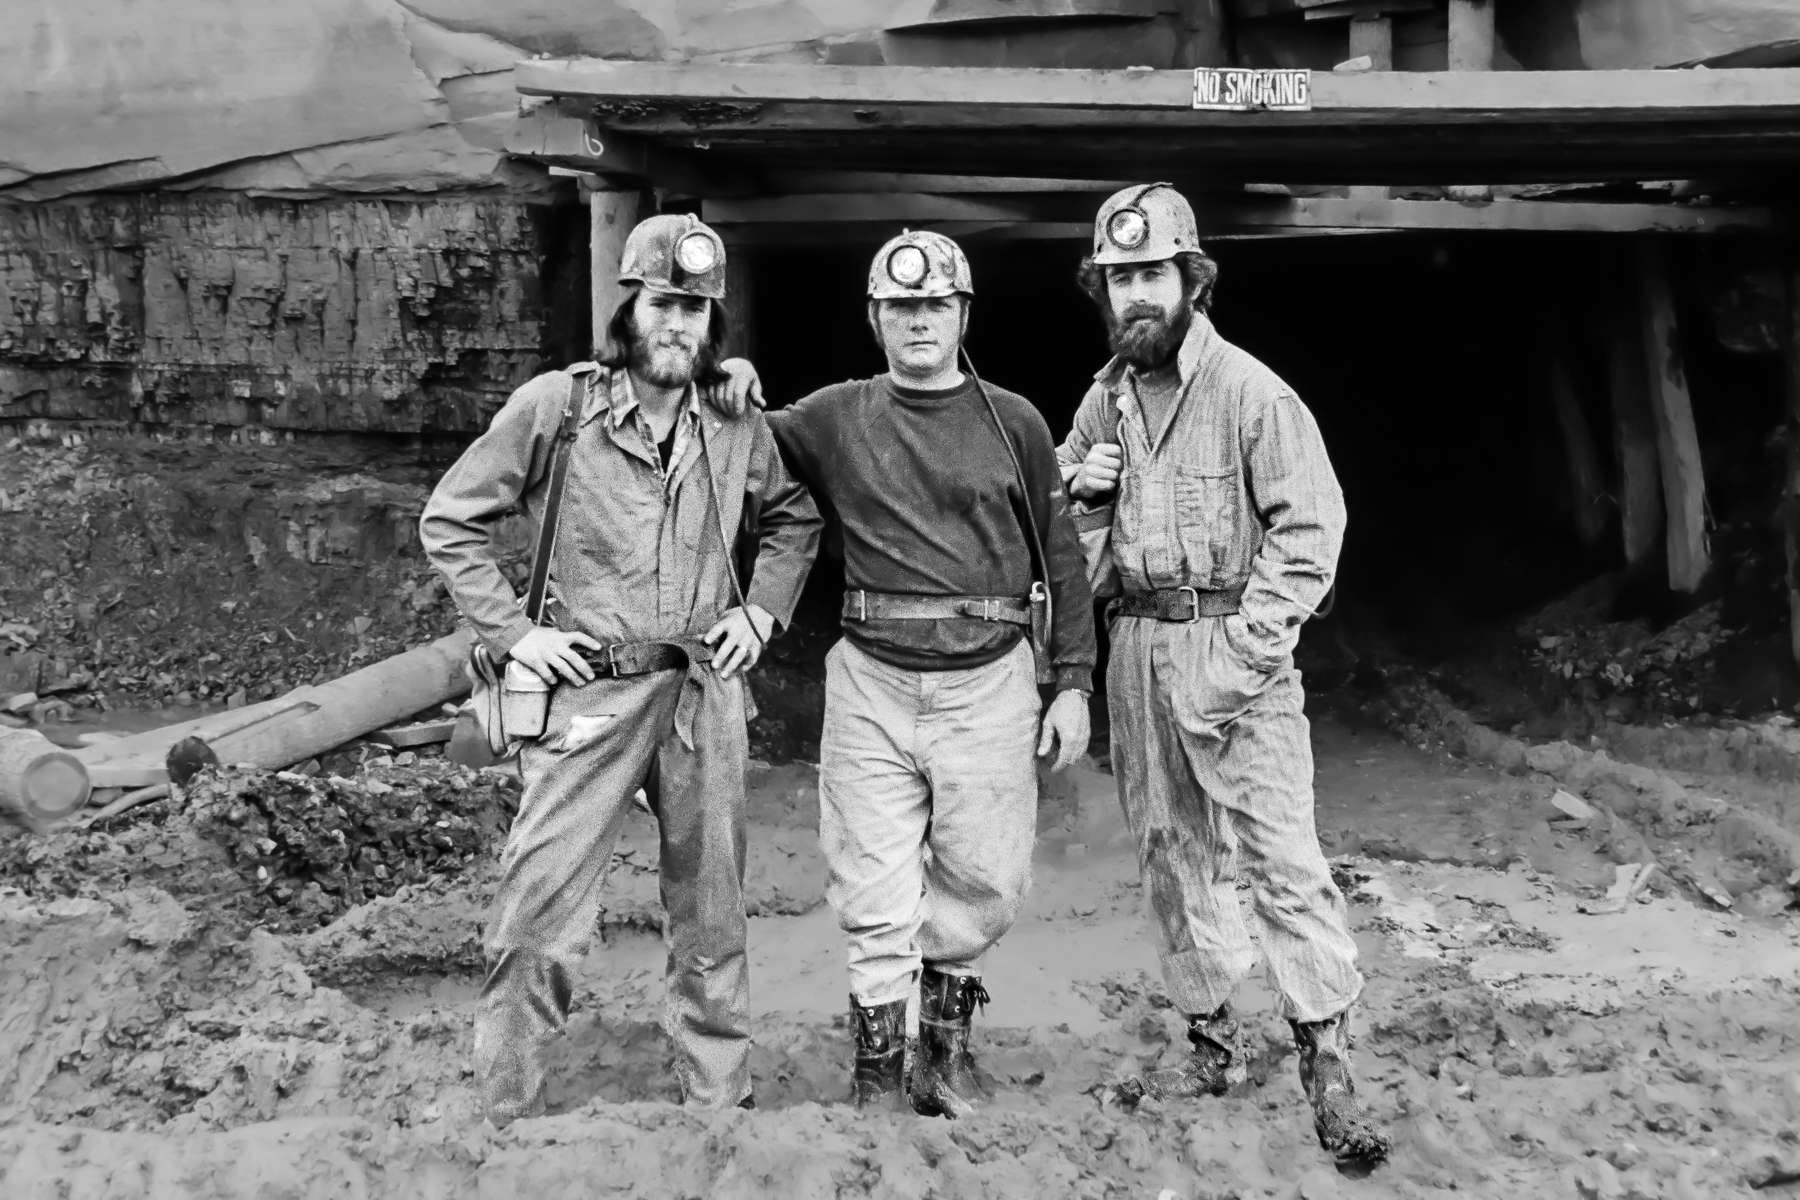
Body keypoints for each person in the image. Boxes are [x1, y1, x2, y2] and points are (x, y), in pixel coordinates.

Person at [419, 213, 821, 1125]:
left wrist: (762, 610)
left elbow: (795, 517)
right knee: (540, 909)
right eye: (664, 302)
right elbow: (450, 521)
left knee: (713, 913)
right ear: (629, 308)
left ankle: (720, 1107)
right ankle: (502, 1110)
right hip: (587, 694)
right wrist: (516, 634)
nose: (680, 323)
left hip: (700, 691)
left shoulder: (732, 421)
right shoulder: (557, 411)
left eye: (697, 309)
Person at [714, 230, 1095, 1117]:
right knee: (873, 883)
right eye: (900, 307)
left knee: (987, 881)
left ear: (963, 314)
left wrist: (1072, 681)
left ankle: (945, 1056)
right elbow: (742, 454)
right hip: (872, 681)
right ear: (875, 317)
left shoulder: (1017, 422)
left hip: (990, 677)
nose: (918, 321)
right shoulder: (835, 415)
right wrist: (726, 382)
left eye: (935, 306)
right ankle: (879, 1075)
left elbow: (1063, 558)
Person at [1057, 184, 1389, 1165]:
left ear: (1191, 282)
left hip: (1233, 652)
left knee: (1282, 862)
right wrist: (1083, 497)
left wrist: (1244, 655)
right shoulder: (1102, 400)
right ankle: (1213, 1041)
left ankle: (1328, 1069)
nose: (1136, 297)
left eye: (1153, 274)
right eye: (1118, 281)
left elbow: (1311, 530)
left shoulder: (1252, 394)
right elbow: (1062, 539)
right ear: (1102, 292)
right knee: (1170, 856)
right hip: (1138, 653)